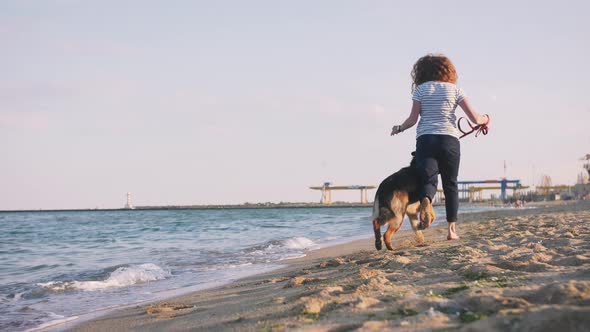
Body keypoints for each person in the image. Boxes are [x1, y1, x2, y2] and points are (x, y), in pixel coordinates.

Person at [390, 54, 489, 240]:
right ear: (448, 71)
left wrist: (399, 128)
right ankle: (451, 231)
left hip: (426, 140)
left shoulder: (420, 90)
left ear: (421, 72)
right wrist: (486, 119)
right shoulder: (456, 90)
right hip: (449, 140)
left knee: (428, 179)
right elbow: (475, 119)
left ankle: (426, 200)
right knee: (450, 184)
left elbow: (412, 120)